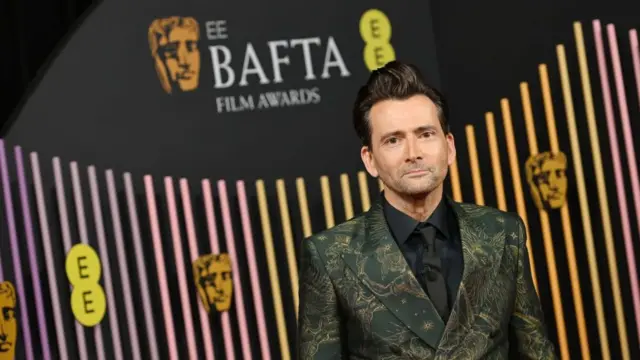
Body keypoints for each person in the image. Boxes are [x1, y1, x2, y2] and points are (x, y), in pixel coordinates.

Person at [297, 60, 557, 359]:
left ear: (450, 146)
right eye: (394, 140)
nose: (413, 153)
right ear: (369, 159)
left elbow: (535, 350)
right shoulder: (330, 255)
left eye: (425, 134)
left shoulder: (502, 232)